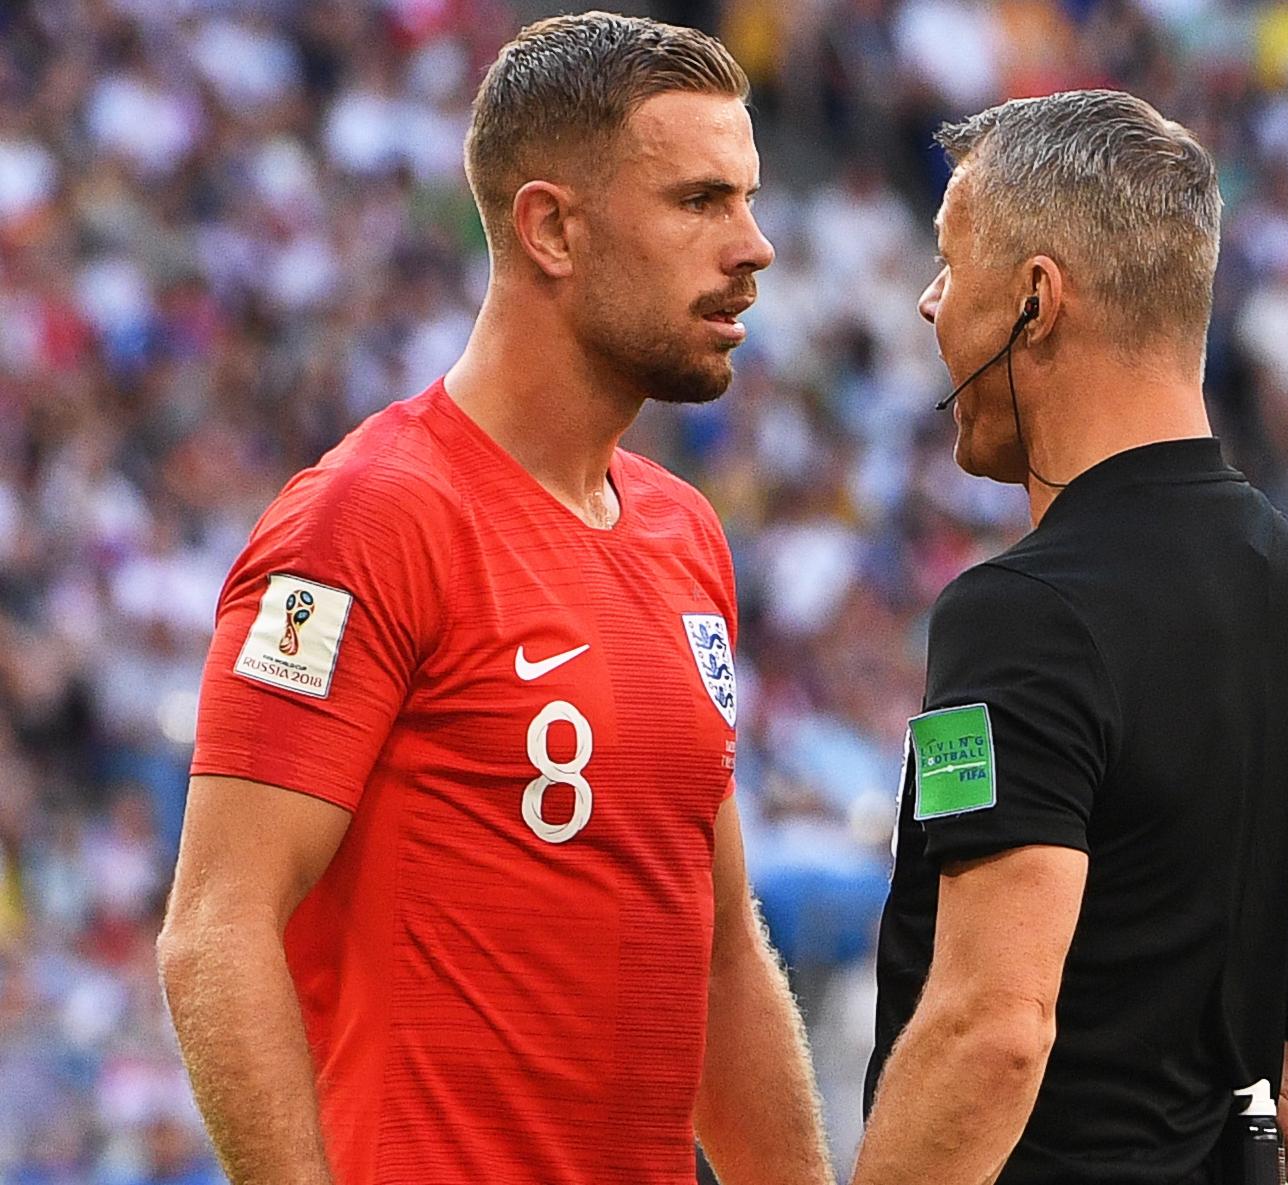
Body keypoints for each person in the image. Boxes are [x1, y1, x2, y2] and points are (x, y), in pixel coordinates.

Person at [156, 15, 834, 1185]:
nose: (754, 246)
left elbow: (721, 954)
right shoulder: (369, 519)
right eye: (698, 202)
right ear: (552, 228)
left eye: (749, 199)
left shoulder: (683, 535)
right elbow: (215, 929)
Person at [856, 91, 1288, 1185]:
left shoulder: (1018, 615)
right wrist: (1284, 997)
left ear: (1035, 301)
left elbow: (993, 1030)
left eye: (948, 261)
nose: (930, 304)